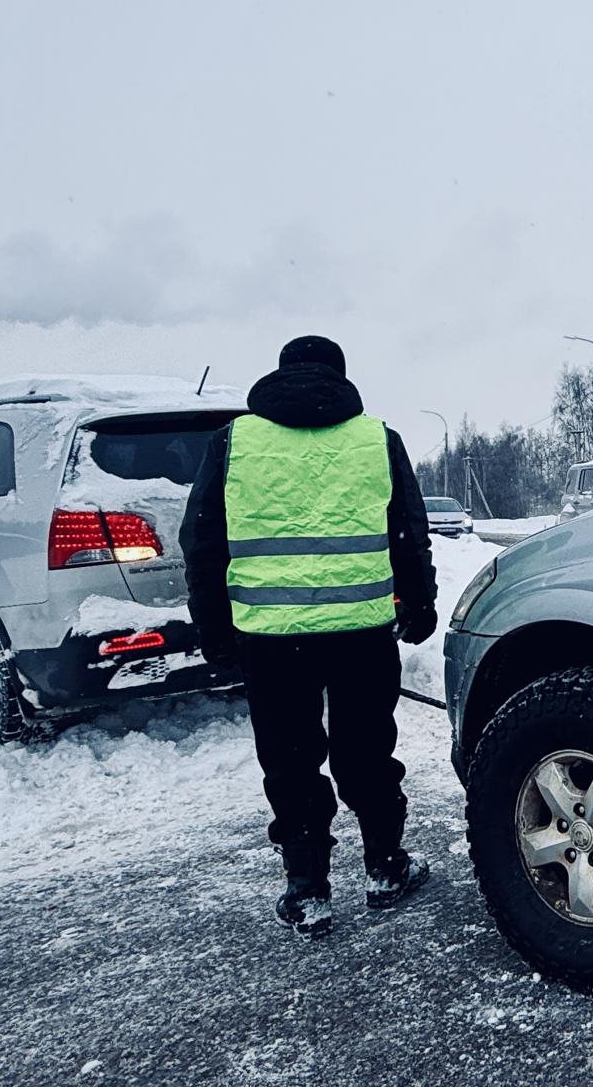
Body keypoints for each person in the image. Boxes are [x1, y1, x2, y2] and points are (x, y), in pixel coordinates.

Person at [181, 336, 438, 937]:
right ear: (339, 377)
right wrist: (418, 602)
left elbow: (202, 543)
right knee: (367, 751)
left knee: (290, 760)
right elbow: (408, 531)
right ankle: (385, 865)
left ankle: (307, 889)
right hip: (361, 631)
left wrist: (215, 630)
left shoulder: (233, 443)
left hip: (271, 637)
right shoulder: (377, 438)